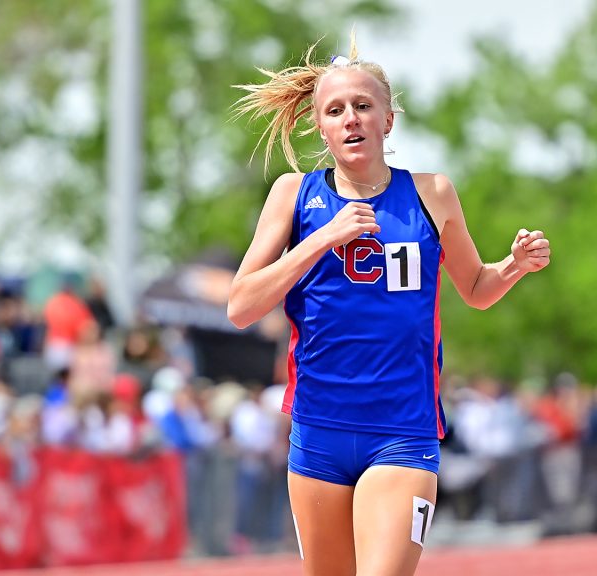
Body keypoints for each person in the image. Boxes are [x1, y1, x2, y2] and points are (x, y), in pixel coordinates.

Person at [228, 36, 550, 576]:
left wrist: (514, 265)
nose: (350, 118)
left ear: (388, 120)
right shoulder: (293, 195)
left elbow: (475, 288)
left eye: (362, 106)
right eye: (335, 110)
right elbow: (240, 305)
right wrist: (320, 239)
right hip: (319, 430)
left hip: (403, 431)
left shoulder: (432, 193)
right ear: (319, 126)